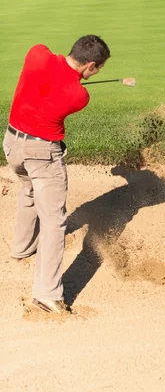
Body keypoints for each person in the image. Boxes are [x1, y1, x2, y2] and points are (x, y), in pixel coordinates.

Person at [2, 35, 110, 314]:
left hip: (12, 145)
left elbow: (51, 62)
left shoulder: (36, 54)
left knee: (27, 190)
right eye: (98, 69)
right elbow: (66, 88)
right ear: (90, 67)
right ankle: (47, 295)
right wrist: (75, 80)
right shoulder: (79, 95)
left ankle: (23, 249)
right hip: (42, 155)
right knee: (54, 221)